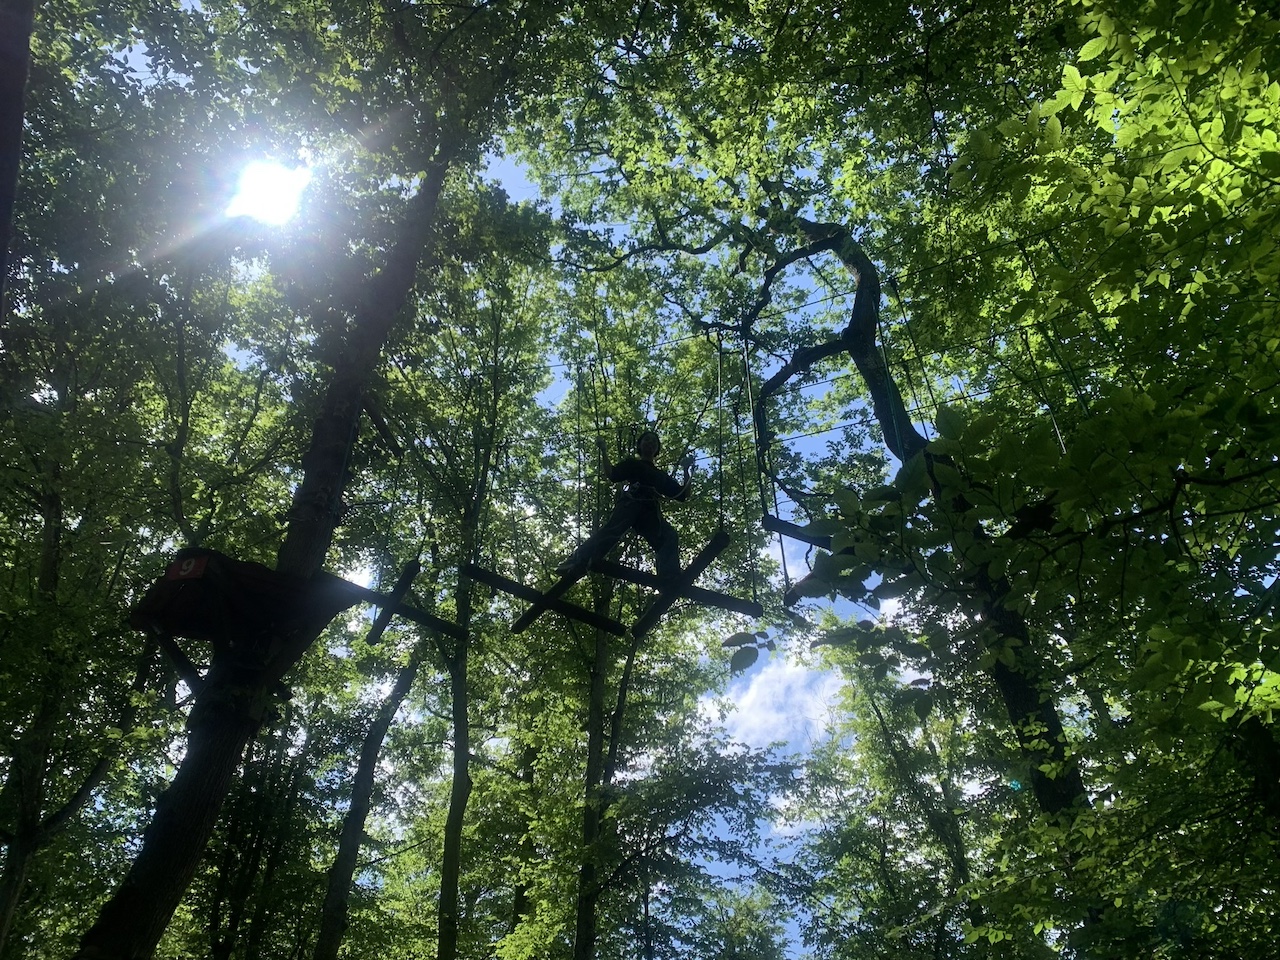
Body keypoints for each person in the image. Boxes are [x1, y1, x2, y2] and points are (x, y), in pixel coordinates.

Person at [555, 429, 693, 585]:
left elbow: (682, 494)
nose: (650, 443)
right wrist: (604, 451)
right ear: (640, 445)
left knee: (669, 536)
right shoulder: (632, 464)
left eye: (654, 442)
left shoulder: (660, 475)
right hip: (632, 502)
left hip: (649, 510)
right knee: (612, 531)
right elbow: (612, 474)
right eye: (647, 440)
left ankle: (669, 577)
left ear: (657, 450)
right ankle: (576, 561)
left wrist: (686, 470)